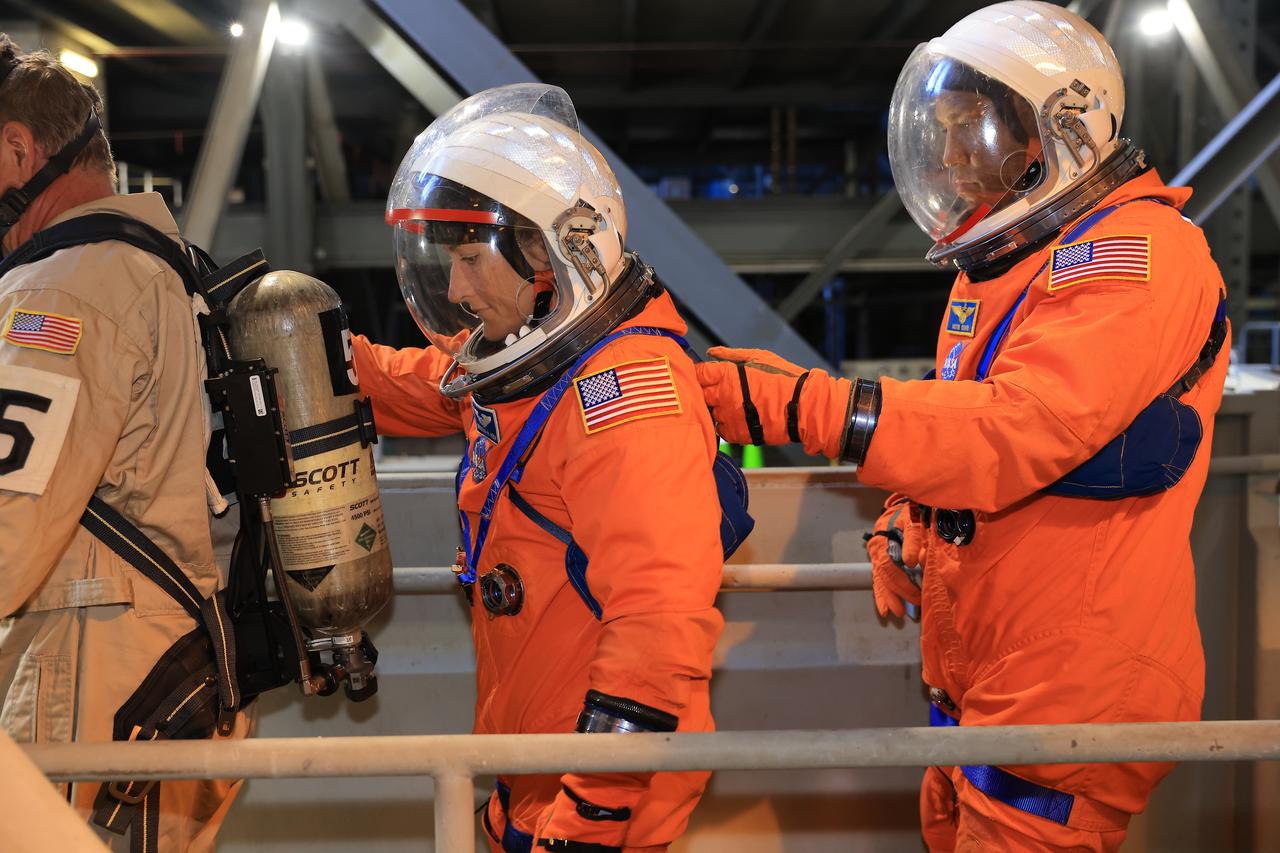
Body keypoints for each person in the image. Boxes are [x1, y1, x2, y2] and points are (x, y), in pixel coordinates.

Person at [695, 3, 1229, 851]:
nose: (948, 157)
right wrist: (911, 513)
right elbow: (968, 428)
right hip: (989, 669)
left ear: (1062, 130)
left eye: (969, 127)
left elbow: (1022, 429)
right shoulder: (1007, 262)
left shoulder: (1138, 257)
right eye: (941, 130)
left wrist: (809, 406)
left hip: (1072, 684)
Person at [353, 83, 725, 853]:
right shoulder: (526, 370)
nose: (453, 290)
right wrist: (293, 338)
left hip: (595, 799)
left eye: (465, 258)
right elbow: (419, 381)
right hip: (535, 774)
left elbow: (657, 624)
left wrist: (590, 813)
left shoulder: (624, 397)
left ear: (551, 250)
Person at [0, 37, 247, 850]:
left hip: (85, 684)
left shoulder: (62, 289)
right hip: (157, 678)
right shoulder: (152, 265)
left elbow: (6, 531)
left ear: (17, 149)